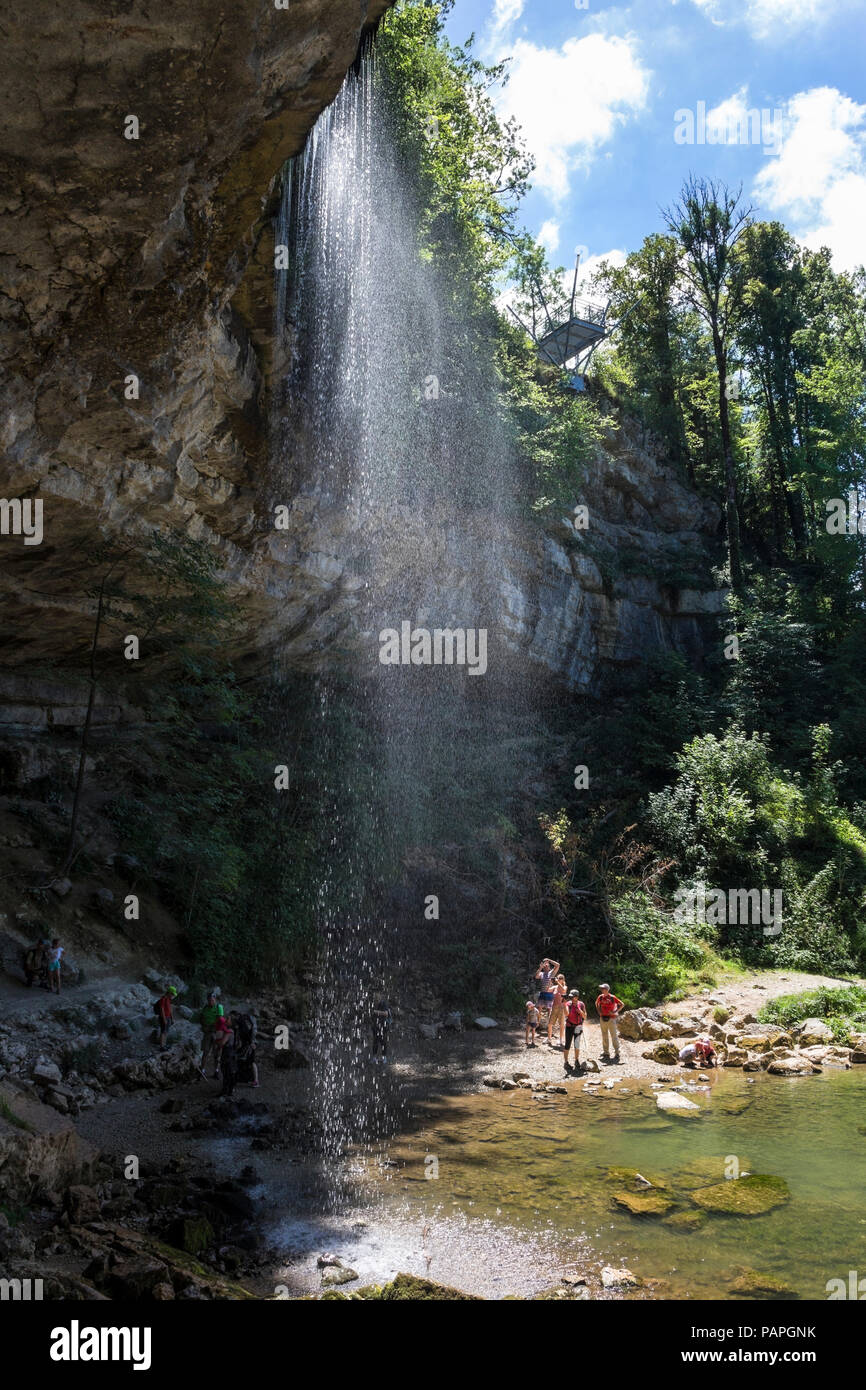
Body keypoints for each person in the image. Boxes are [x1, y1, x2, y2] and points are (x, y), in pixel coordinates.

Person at [595, 982, 624, 1063]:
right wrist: (599, 1011)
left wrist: (615, 1011)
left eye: (603, 988)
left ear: (607, 989)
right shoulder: (600, 997)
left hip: (611, 1019)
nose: (601, 990)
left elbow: (622, 1004)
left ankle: (617, 1053)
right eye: (601, 988)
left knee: (614, 1035)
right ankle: (606, 1052)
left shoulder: (612, 997)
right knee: (604, 1035)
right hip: (602, 1018)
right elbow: (596, 1003)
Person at [199, 991, 224, 1079]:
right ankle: (202, 1070)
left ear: (215, 999)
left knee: (216, 1053)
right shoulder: (205, 1008)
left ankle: (216, 1071)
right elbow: (201, 1017)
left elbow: (219, 1019)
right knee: (205, 1052)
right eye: (209, 1000)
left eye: (212, 1000)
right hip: (207, 1032)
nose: (211, 1002)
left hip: (216, 1032)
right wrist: (203, 1025)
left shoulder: (219, 1007)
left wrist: (211, 1027)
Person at [563, 990, 587, 1071]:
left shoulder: (581, 1004)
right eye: (571, 997)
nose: (571, 998)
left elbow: (585, 1017)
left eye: (573, 996)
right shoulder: (568, 1004)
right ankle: (566, 1062)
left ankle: (576, 1061)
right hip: (569, 1026)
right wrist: (564, 1004)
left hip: (578, 1027)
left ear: (577, 997)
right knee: (567, 1045)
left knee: (577, 1045)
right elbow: (566, 1014)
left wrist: (579, 1010)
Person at [235, 1010, 259, 1087]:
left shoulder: (243, 1021)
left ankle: (255, 1080)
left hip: (248, 1045)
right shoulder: (251, 1021)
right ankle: (251, 1079)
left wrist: (251, 1042)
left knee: (251, 1062)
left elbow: (246, 1033)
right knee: (250, 1062)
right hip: (250, 1044)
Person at [535, 958, 560, 1027]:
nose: (546, 966)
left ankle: (550, 1026)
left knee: (550, 1010)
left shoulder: (551, 973)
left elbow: (557, 965)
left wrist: (549, 960)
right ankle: (538, 1024)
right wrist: (540, 967)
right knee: (539, 1008)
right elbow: (536, 976)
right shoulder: (541, 973)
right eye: (545, 966)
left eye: (547, 965)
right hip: (542, 993)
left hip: (549, 994)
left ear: (549, 967)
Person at [219, 1011, 237, 1097]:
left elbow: (222, 1043)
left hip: (227, 1053)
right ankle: (230, 1090)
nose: (226, 1020)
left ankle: (226, 1091)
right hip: (232, 1052)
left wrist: (216, 1041)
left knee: (226, 1072)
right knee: (230, 1072)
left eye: (228, 1019)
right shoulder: (233, 1031)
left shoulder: (229, 1031)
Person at [547, 973, 568, 1047]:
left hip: (562, 1007)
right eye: (558, 978)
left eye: (560, 978)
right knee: (550, 1024)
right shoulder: (555, 987)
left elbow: (564, 991)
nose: (558, 979)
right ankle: (549, 1038)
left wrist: (557, 982)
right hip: (554, 1007)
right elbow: (548, 990)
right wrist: (550, 982)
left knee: (561, 1024)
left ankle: (561, 1040)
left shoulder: (565, 987)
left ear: (563, 980)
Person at [372, 997, 392, 1064]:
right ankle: (374, 1058)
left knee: (383, 1042)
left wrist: (375, 1011)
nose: (375, 1001)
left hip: (384, 1026)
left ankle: (384, 1058)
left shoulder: (384, 1004)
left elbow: (386, 1013)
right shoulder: (374, 1004)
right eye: (375, 1000)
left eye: (377, 999)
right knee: (375, 1042)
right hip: (376, 1026)